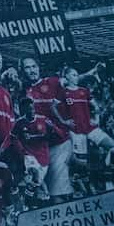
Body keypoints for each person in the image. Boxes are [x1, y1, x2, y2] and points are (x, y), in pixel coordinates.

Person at [20, 58, 101, 202]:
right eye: (27, 68)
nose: (32, 70)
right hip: (41, 146)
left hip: (59, 141)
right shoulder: (24, 91)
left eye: (34, 66)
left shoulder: (51, 82)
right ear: (23, 71)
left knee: (56, 193)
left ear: (39, 68)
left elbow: (71, 81)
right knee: (47, 186)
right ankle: (82, 169)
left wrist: (89, 73)